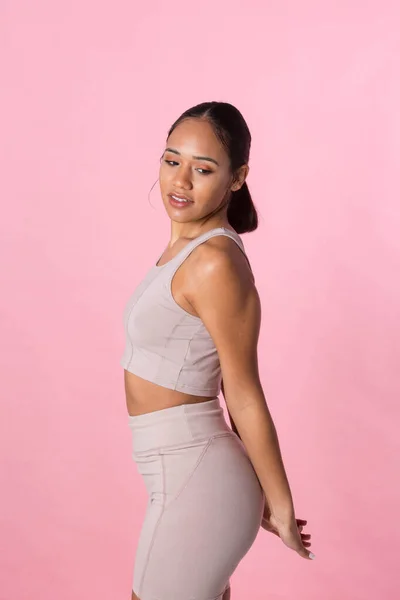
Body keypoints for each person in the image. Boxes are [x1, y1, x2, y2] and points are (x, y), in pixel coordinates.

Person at [121, 101, 314, 600]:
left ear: (236, 177)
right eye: (171, 161)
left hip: (198, 476)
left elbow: (242, 392)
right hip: (181, 472)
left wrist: (280, 502)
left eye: (203, 169)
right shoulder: (186, 250)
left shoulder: (213, 263)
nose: (180, 181)